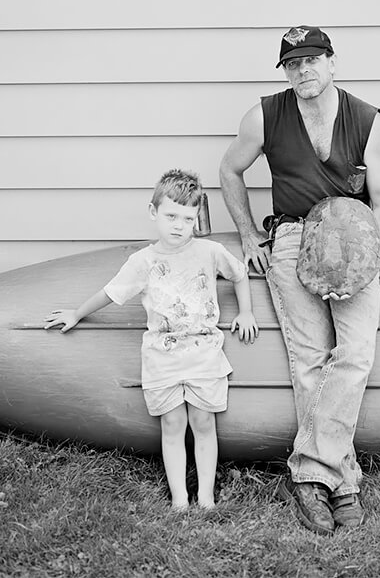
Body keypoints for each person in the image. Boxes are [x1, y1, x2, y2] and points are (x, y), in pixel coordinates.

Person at [219, 26, 380, 534]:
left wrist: (357, 260)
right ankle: (342, 483)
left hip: (350, 235)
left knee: (356, 354)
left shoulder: (369, 121)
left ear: (332, 62)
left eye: (312, 60)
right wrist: (250, 234)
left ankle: (311, 474)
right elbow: (230, 170)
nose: (303, 71)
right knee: (310, 359)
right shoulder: (265, 115)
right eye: (293, 64)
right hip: (294, 236)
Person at [44, 169, 259, 511]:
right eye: (171, 216)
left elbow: (238, 274)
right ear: (153, 212)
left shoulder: (209, 251)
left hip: (204, 353)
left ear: (196, 219)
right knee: (172, 424)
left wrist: (245, 311)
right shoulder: (142, 262)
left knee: (203, 422)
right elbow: (110, 292)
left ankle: (205, 496)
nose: (178, 225)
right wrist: (76, 313)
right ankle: (179, 499)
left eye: (188, 219)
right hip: (162, 357)